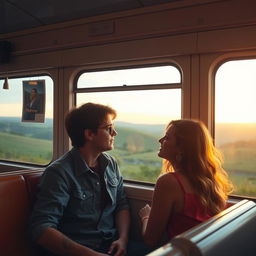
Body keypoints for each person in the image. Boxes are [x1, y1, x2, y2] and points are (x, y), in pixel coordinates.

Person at [29, 103, 130, 256]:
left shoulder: (110, 164)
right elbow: (41, 229)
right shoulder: (59, 173)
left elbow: (121, 205)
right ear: (89, 134)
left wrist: (123, 239)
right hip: (78, 250)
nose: (114, 133)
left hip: (111, 244)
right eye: (109, 128)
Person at [139, 119, 233, 248]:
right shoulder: (210, 181)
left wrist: (146, 217)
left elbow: (150, 240)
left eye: (167, 137)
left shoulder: (169, 182)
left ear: (182, 148)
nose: (160, 141)